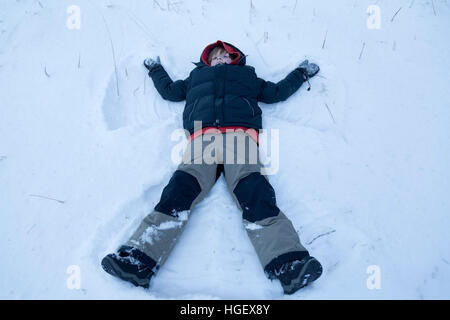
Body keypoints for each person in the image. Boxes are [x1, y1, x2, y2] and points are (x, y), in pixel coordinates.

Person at [101, 40, 322, 295]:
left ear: (235, 59)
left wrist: (300, 74)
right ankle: (138, 259)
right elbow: (170, 91)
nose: (220, 59)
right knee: (180, 189)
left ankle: (289, 262)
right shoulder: (196, 77)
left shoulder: (247, 77)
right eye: (216, 56)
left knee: (254, 190)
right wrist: (155, 70)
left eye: (226, 56)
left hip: (240, 136)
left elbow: (275, 92)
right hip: (202, 137)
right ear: (207, 60)